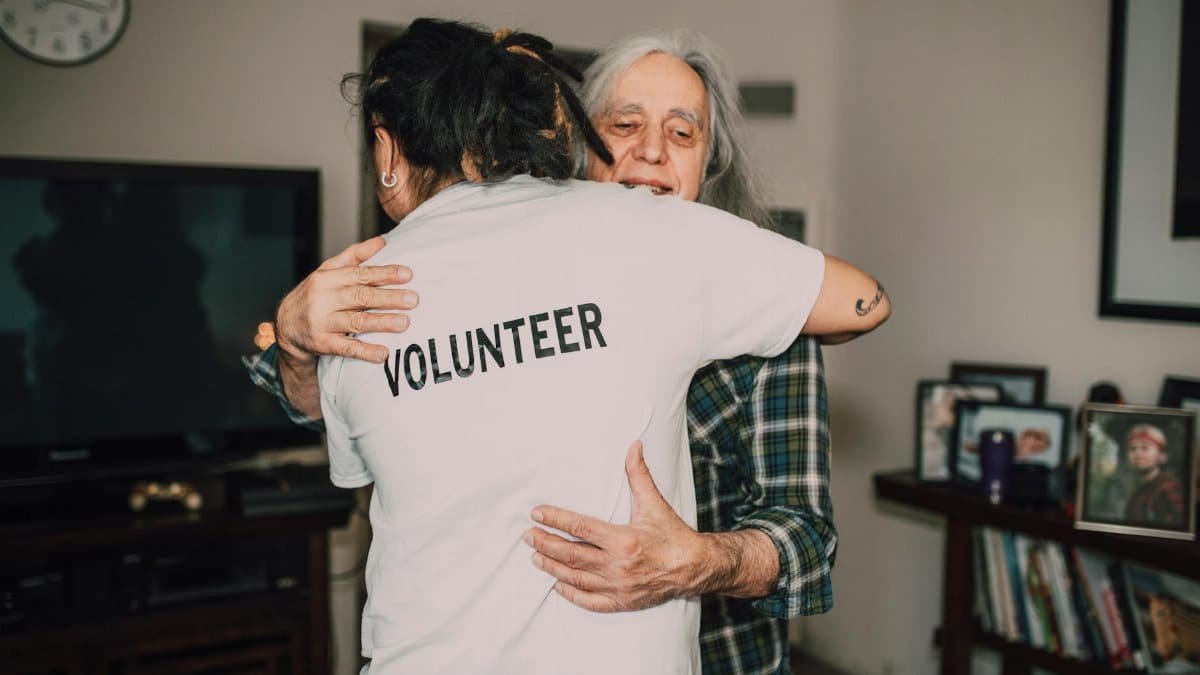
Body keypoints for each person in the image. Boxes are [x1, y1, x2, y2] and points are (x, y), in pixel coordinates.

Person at [247, 28, 853, 675]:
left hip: (726, 658)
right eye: (624, 123)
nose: (651, 151)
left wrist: (700, 560)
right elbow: (341, 398)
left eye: (683, 134)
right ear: (575, 140)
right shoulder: (514, 265)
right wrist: (292, 335)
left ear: (709, 163)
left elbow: (809, 541)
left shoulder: (770, 310)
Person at [1123, 424, 1185, 527]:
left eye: (1145, 447)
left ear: (1162, 456)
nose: (1137, 453)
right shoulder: (1137, 493)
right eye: (1132, 448)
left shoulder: (1170, 489)